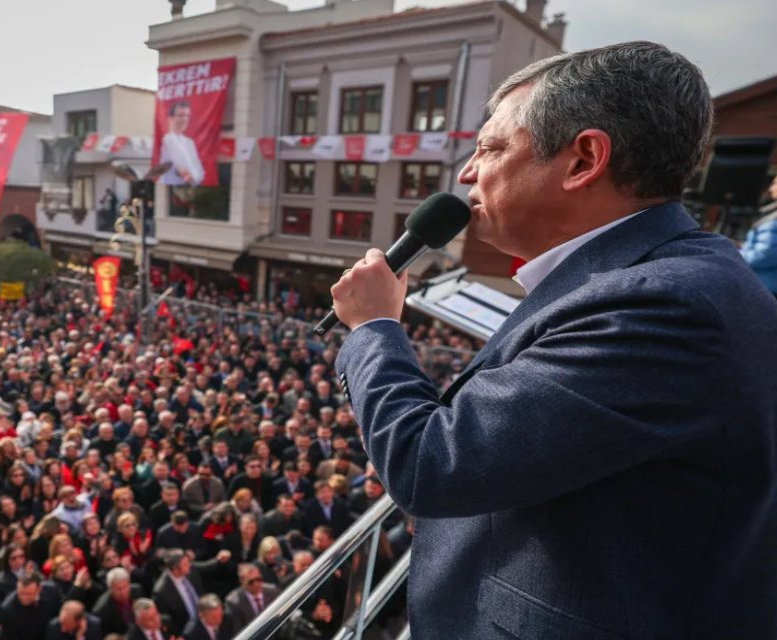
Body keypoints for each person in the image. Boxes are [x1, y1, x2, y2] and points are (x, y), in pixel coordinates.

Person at [331, 41, 777, 638]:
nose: (467, 173)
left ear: (583, 159)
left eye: (490, 147)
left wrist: (375, 327)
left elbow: (431, 464)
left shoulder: (665, 306)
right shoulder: (667, 278)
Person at [741, 175, 777, 296]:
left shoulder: (774, 221)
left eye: (775, 184)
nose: (771, 188)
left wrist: (736, 253)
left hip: (765, 288)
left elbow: (763, 255)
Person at [158, 102, 205, 186]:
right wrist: (183, 173)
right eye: (181, 115)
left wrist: (193, 177)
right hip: (172, 186)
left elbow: (199, 171)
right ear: (171, 119)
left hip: (192, 186)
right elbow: (177, 167)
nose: (184, 119)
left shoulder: (189, 143)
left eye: (187, 116)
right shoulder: (166, 140)